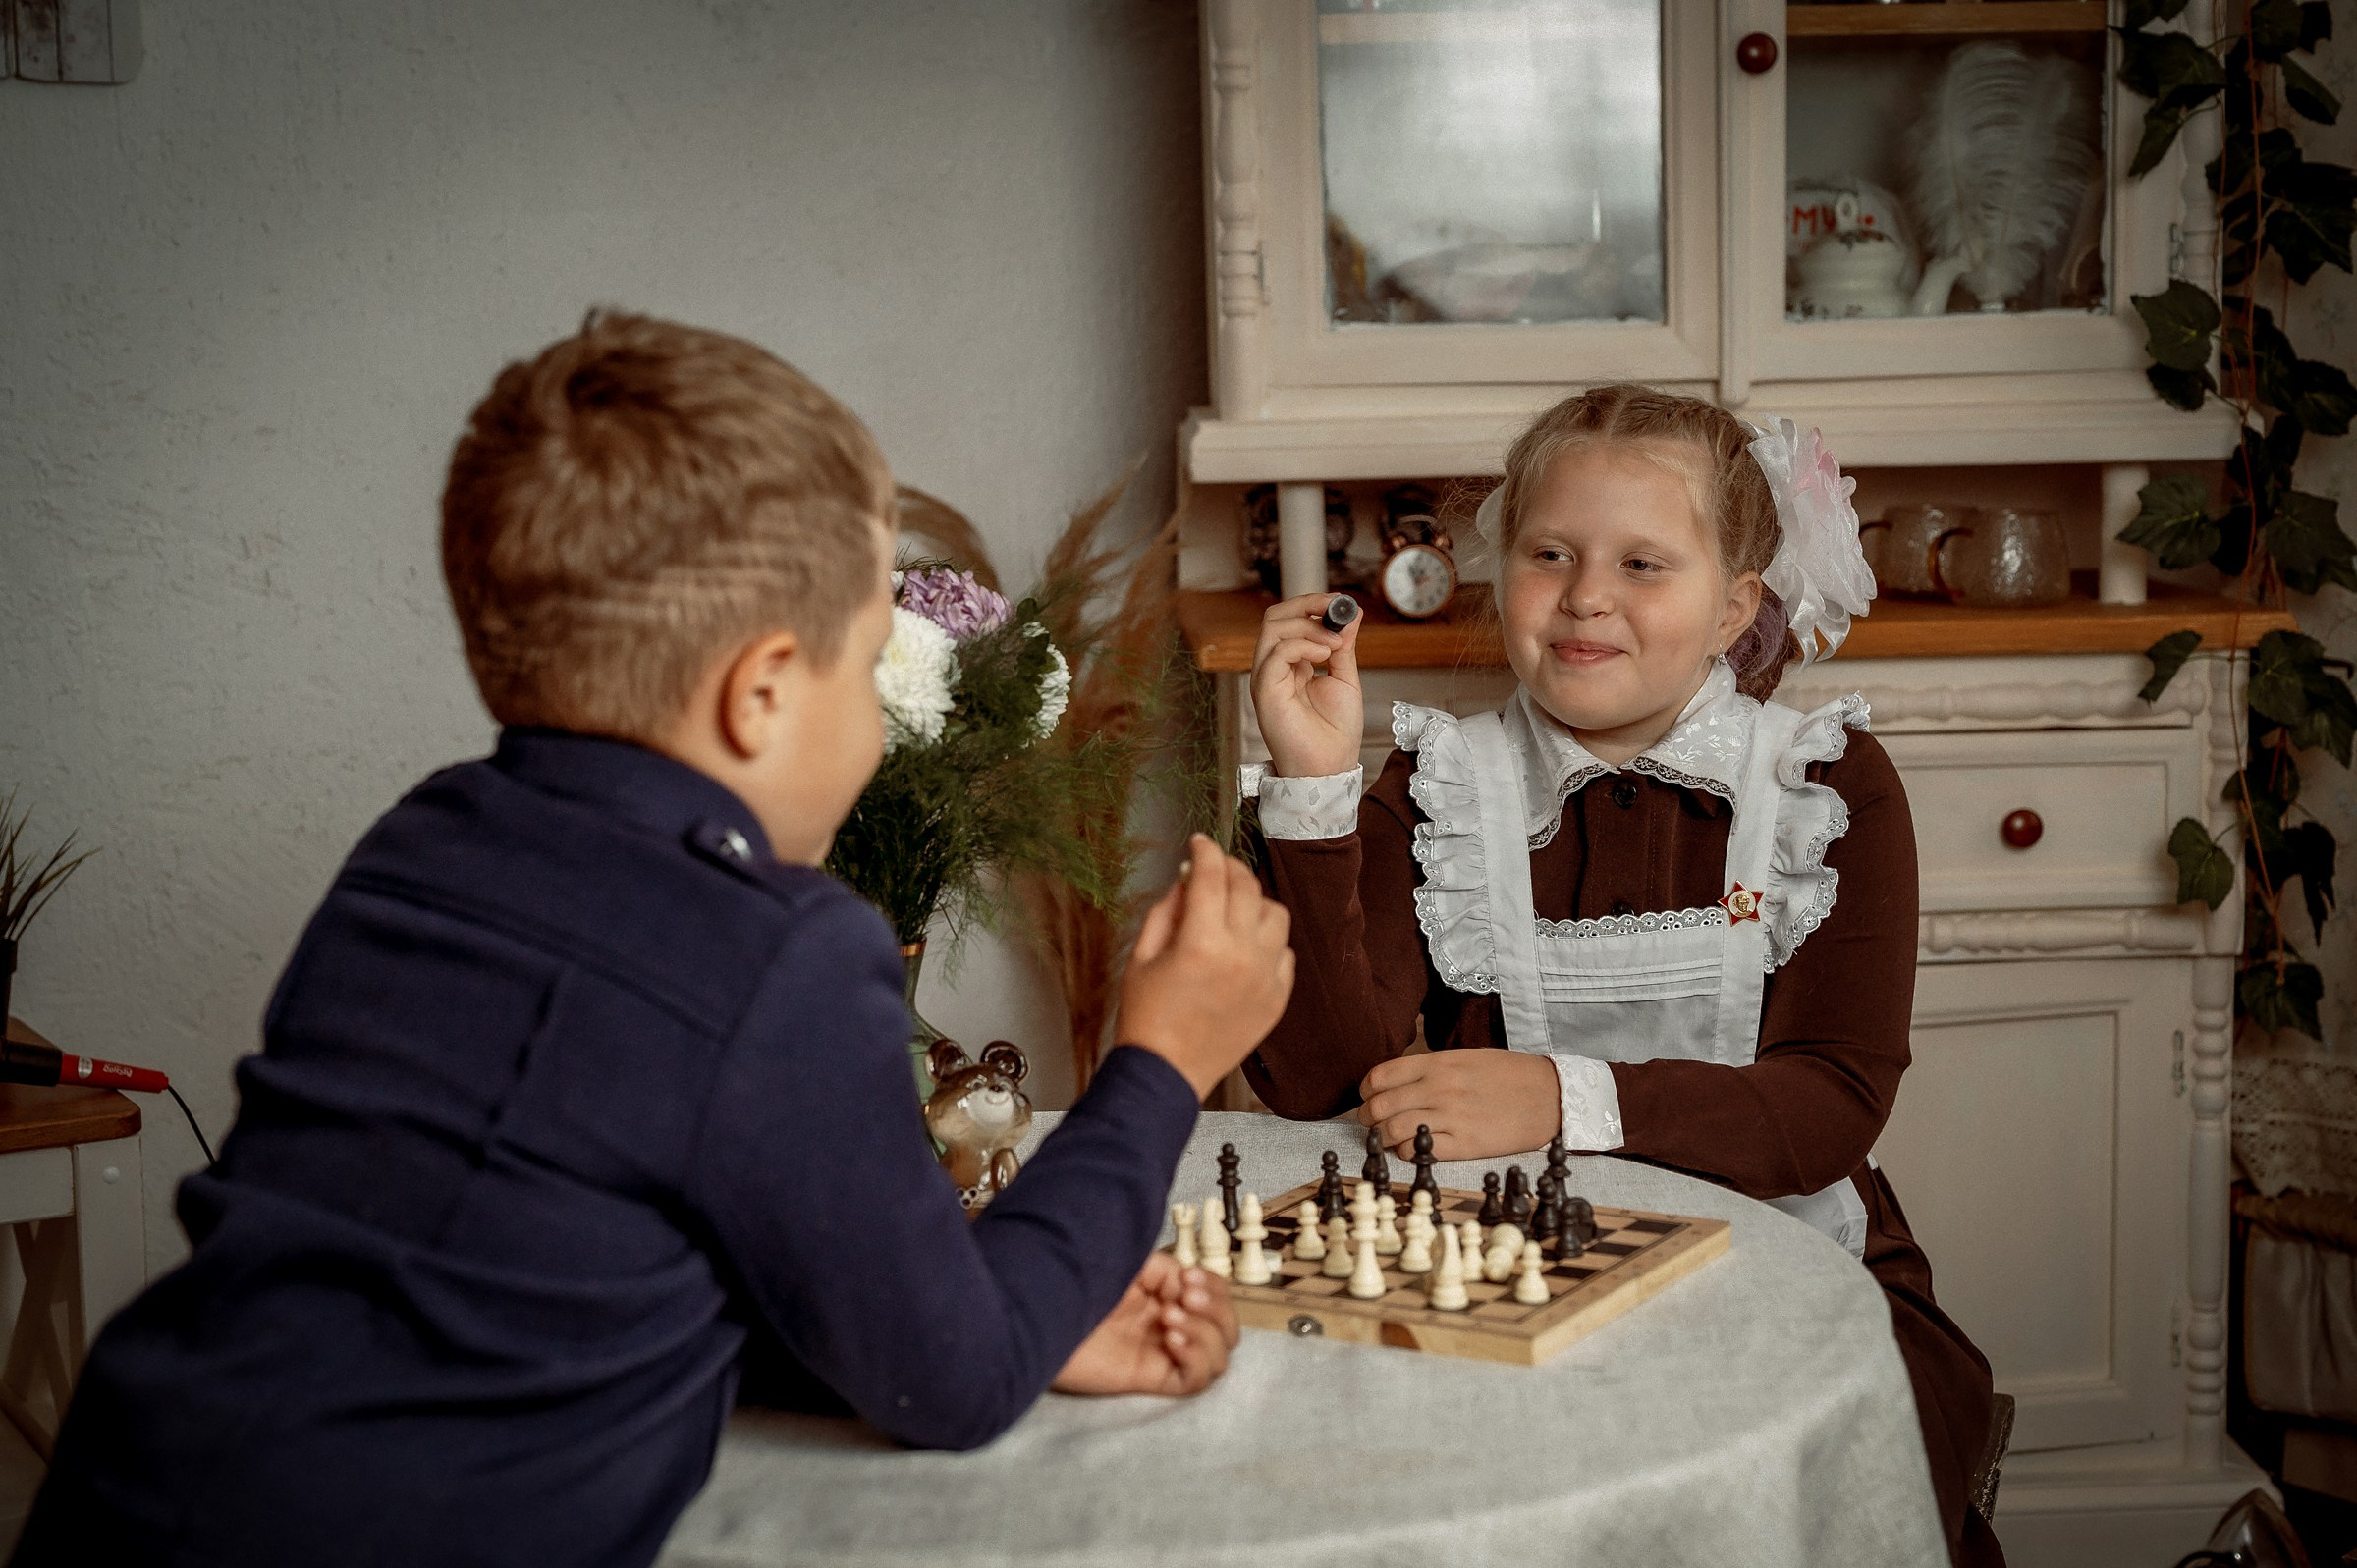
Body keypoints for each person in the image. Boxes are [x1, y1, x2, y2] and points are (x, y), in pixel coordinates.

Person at [13, 312, 1294, 1568]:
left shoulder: (420, 843)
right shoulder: (785, 954)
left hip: (128, 1487)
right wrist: (1162, 1060)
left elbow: (549, 1267)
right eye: (863, 664)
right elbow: (951, 1389)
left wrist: (1017, 1305)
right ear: (762, 694)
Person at [1241, 384, 2002, 1568]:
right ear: (1504, 573)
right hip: (1512, 1276)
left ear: (1731, 606)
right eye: (1550, 553)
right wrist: (1312, 788)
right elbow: (1319, 1080)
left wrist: (1558, 1095)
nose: (1587, 594)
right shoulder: (1433, 786)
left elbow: (1833, 1100)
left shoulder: (1824, 787)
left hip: (1798, 1259)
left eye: (1645, 562)